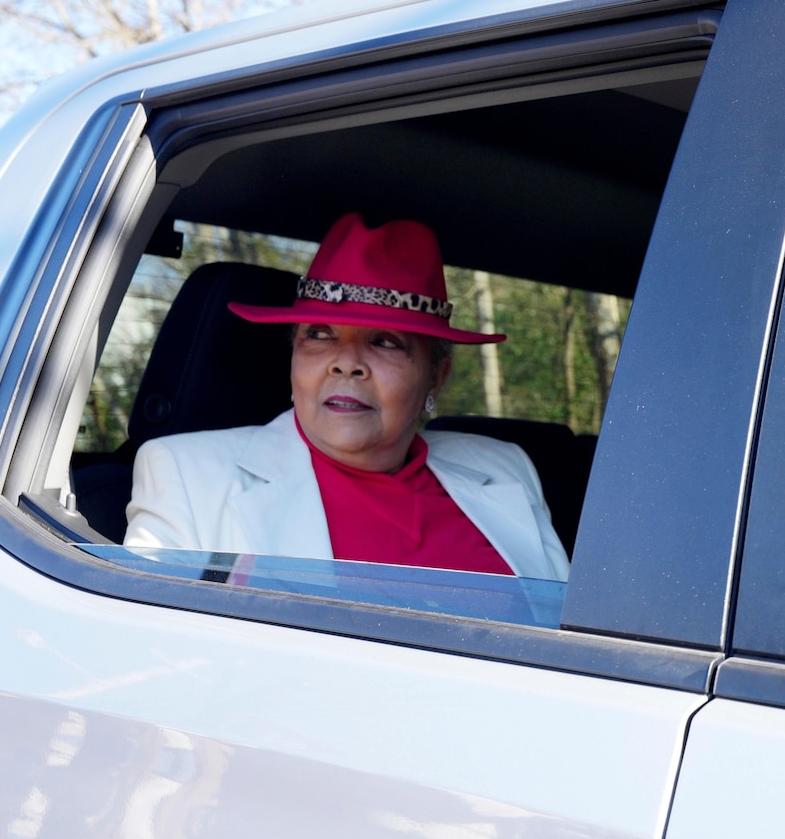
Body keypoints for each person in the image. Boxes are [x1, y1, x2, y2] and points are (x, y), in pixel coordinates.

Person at [124, 213, 569, 582]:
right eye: (319, 335)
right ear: (294, 359)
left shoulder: (505, 466)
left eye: (386, 342)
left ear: (436, 377)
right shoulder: (185, 475)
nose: (346, 363)